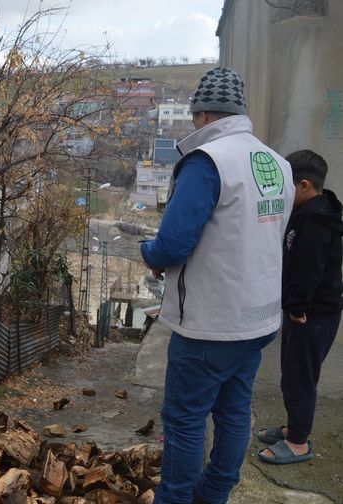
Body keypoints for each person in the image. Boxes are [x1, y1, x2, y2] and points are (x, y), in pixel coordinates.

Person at [140, 67, 294, 504]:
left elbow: (172, 245)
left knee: (185, 419)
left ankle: (176, 498)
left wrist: (148, 253)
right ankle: (216, 493)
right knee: (233, 411)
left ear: (203, 115)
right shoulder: (276, 163)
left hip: (210, 323)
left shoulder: (208, 162)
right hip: (258, 319)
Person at [257, 150, 342, 464]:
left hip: (312, 314)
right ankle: (294, 427)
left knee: (299, 377)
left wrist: (297, 308)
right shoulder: (309, 211)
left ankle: (297, 443)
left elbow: (309, 270)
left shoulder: (316, 221)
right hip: (309, 311)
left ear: (305, 185)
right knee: (293, 374)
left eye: (286, 186)